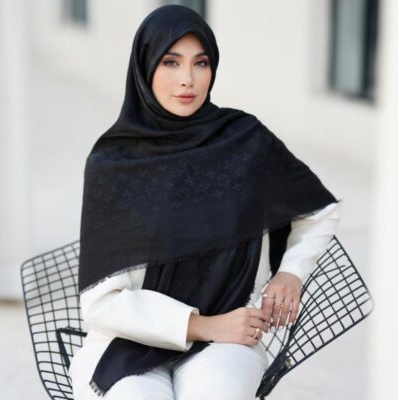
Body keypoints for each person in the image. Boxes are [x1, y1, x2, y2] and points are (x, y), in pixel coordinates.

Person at [69, 5, 341, 400]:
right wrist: (204, 325)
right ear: (145, 67)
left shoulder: (244, 140)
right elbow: (101, 304)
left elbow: (319, 210)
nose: (188, 79)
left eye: (201, 63)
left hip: (227, 343)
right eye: (171, 62)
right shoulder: (114, 164)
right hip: (127, 342)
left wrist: (291, 272)